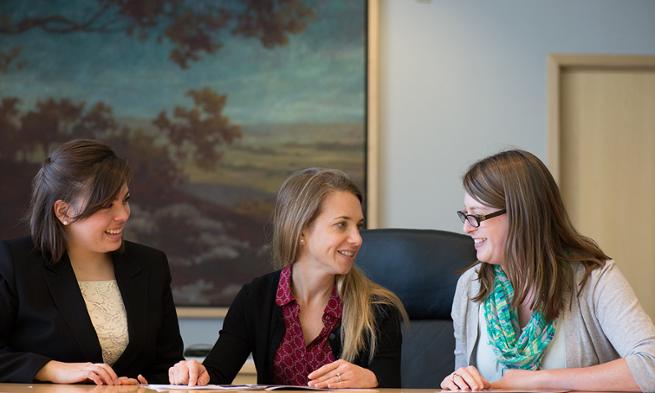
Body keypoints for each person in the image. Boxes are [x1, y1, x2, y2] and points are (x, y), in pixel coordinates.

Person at [168, 168, 407, 388]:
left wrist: (371, 379)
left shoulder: (379, 308)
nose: (357, 239)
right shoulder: (256, 297)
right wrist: (193, 372)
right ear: (301, 230)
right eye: (341, 225)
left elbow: (392, 383)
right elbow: (216, 375)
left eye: (359, 226)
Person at [440, 149, 655, 392]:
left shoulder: (594, 279)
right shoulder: (471, 285)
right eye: (465, 216)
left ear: (522, 214)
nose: (467, 229)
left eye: (477, 216)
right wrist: (457, 382)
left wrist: (539, 380)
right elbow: (465, 379)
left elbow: (651, 365)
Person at [0, 139, 184, 385]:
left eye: (125, 200)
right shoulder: (14, 263)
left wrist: (142, 384)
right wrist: (52, 370)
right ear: (63, 212)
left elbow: (167, 365)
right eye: (107, 205)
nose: (123, 215)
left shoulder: (152, 264)